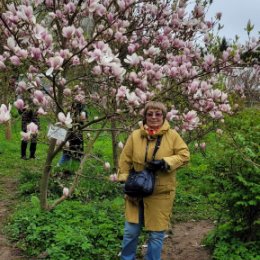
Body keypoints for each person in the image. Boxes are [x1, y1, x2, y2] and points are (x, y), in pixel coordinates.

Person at [114, 101, 190, 260]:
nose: (154, 117)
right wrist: (124, 180)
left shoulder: (173, 136)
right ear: (145, 116)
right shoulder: (135, 135)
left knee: (156, 234)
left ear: (163, 116)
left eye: (158, 114)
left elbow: (184, 156)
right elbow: (125, 159)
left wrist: (165, 162)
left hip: (160, 192)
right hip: (136, 190)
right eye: (150, 114)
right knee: (130, 231)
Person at [58, 102, 88, 166]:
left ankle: (72, 170)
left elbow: (83, 120)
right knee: (67, 154)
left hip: (76, 138)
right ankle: (60, 168)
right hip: (71, 137)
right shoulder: (70, 114)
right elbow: (67, 125)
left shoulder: (80, 113)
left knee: (74, 155)